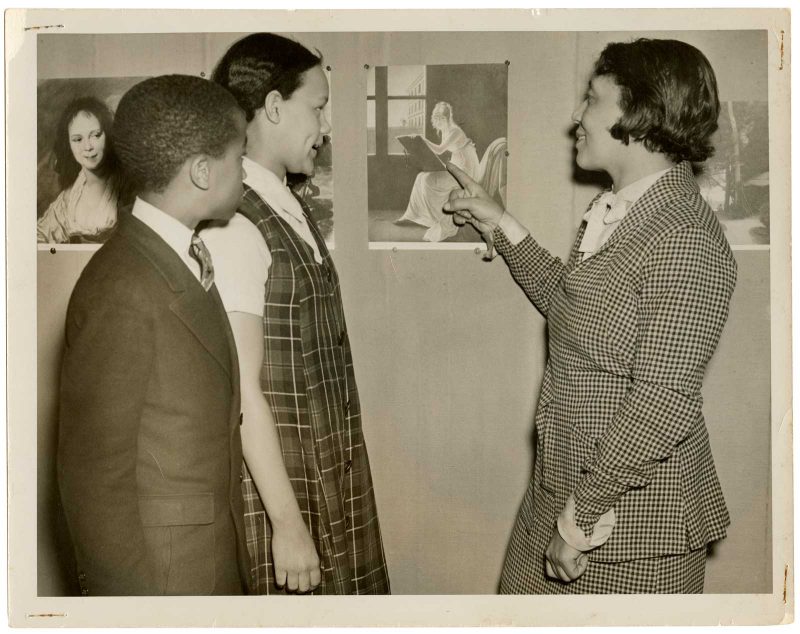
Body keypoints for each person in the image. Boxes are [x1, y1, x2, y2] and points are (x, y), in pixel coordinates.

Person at [444, 38, 736, 594]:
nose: (575, 116)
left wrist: (579, 523)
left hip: (625, 530)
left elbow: (663, 402)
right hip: (563, 492)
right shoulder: (622, 211)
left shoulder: (685, 239)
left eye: (592, 99)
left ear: (642, 115)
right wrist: (500, 223)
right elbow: (577, 311)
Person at [201, 33, 390, 595]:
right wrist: (287, 526)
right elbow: (243, 392)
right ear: (275, 106)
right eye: (319, 107)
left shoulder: (287, 202)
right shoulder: (235, 222)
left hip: (328, 471)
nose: (326, 127)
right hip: (286, 493)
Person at [57, 75, 252, 595]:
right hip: (164, 583)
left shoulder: (175, 255)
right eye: (241, 157)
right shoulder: (120, 285)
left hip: (206, 561)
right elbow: (95, 483)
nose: (246, 173)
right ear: (204, 172)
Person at [37, 96, 121, 244]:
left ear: (108, 136)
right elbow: (38, 237)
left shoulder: (127, 187)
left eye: (95, 135)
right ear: (68, 144)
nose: (88, 147)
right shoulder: (68, 199)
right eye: (78, 139)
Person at [396, 101, 480, 242]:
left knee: (428, 180)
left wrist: (422, 139)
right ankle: (414, 215)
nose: (439, 121)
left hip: (466, 169)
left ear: (448, 118)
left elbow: (440, 149)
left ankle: (438, 218)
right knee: (420, 177)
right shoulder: (444, 130)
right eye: (436, 118)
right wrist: (419, 142)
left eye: (441, 118)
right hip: (457, 165)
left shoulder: (455, 130)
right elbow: (439, 149)